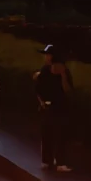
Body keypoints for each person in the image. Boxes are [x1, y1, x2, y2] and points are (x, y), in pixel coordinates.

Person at [34, 44, 73, 172]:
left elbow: (67, 90)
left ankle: (60, 162)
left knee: (61, 135)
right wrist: (41, 102)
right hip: (47, 107)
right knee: (46, 134)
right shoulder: (44, 70)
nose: (45, 57)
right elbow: (38, 88)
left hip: (61, 107)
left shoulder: (64, 70)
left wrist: (62, 75)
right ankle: (46, 160)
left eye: (47, 55)